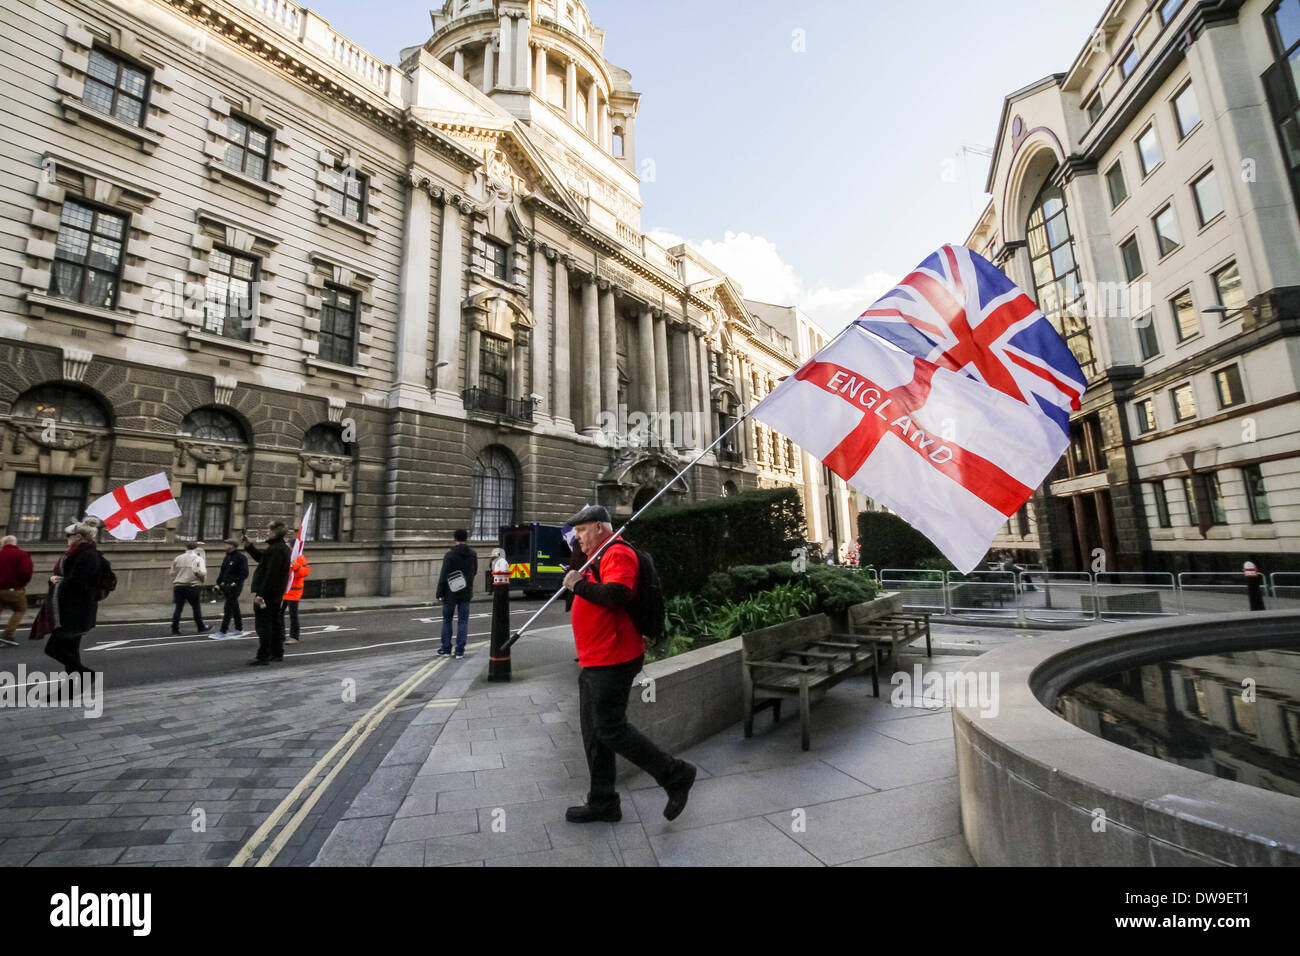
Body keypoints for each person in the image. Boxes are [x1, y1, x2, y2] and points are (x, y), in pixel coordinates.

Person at [560, 505, 696, 824]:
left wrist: (577, 585)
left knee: (610, 728)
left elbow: (618, 594)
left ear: (599, 528)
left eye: (581, 530)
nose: (576, 537)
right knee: (595, 733)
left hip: (613, 659)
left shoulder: (617, 552)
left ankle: (675, 774)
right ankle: (603, 801)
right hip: (595, 659)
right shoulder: (597, 555)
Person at [36, 521, 105, 675]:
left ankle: (84, 674)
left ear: (78, 537)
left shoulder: (88, 555)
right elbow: (67, 577)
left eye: (68, 535)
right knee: (71, 651)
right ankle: (73, 685)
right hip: (69, 610)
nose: (66, 538)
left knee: (54, 649)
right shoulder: (76, 553)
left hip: (75, 612)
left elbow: (79, 582)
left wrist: (59, 581)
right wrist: (54, 579)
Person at [242, 521, 291, 665]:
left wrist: (261, 595)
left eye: (269, 531)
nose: (267, 533)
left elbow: (271, 574)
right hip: (275, 594)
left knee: (264, 625)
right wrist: (249, 546)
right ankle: (277, 653)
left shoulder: (276, 549)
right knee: (275, 623)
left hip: (268, 594)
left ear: (274, 533)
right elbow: (262, 559)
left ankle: (263, 656)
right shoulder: (279, 548)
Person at [434, 529, 477, 658]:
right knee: (463, 621)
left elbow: (443, 575)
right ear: (467, 538)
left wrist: (439, 592)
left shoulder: (450, 555)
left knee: (447, 619)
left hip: (450, 592)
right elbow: (474, 572)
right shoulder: (473, 554)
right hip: (465, 591)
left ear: (455, 538)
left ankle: (446, 648)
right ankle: (460, 651)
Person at [169, 541, 209, 635]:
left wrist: (177, 579)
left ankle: (175, 629)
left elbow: (171, 573)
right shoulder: (198, 559)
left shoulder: (178, 558)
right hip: (192, 586)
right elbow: (202, 573)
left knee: (178, 608)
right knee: (196, 608)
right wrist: (201, 579)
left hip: (179, 586)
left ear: (185, 547)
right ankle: (201, 627)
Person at [0, 535, 34, 646]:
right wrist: (22, 584)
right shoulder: (22, 555)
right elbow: (26, 572)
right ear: (15, 543)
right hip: (15, 589)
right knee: (20, 610)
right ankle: (8, 635)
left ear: (3, 543)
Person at [215, 538, 248, 636]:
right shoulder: (227, 557)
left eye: (227, 544)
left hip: (235, 587)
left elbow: (244, 573)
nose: (225, 546)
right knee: (234, 607)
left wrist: (236, 582)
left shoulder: (241, 557)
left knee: (228, 607)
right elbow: (222, 572)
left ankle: (223, 631)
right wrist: (218, 583)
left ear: (232, 546)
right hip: (225, 585)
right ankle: (239, 628)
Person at [283, 550, 310, 644]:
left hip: (294, 592)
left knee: (293, 615)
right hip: (284, 591)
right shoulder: (286, 556)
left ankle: (294, 637)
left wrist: (295, 566)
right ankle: (280, 635)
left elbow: (304, 573)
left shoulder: (300, 558)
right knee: (278, 614)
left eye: (287, 545)